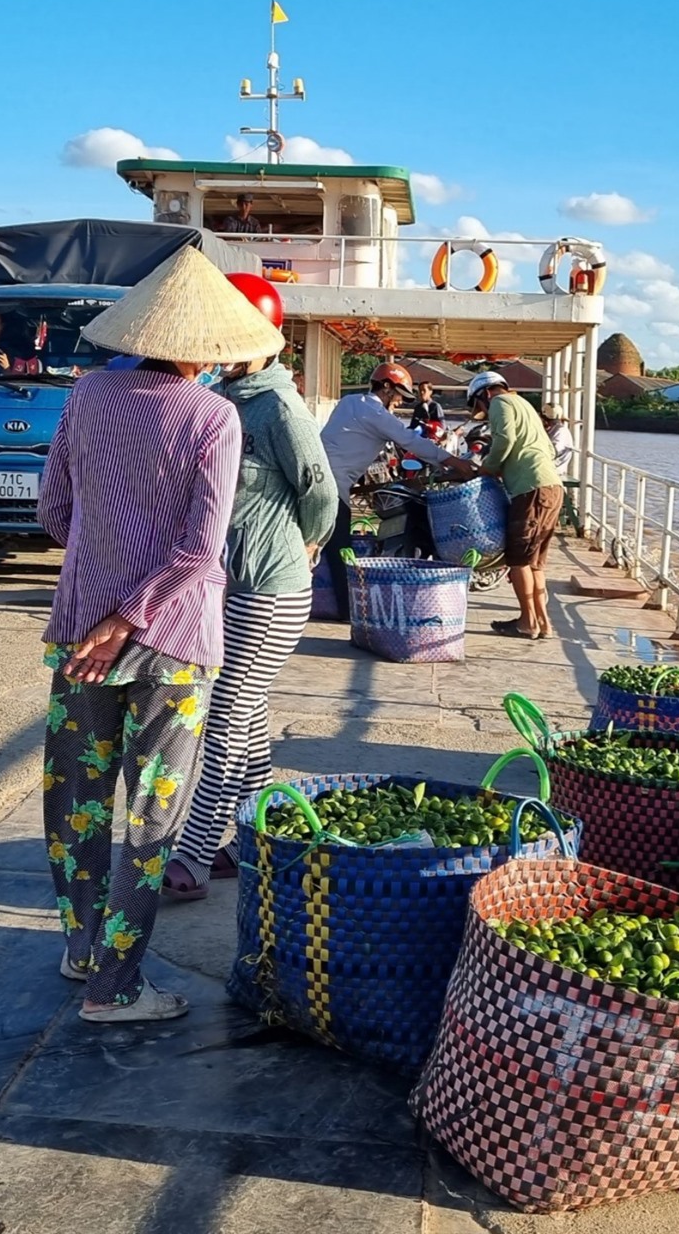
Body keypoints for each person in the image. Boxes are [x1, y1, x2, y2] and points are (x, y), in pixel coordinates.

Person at [36, 245, 277, 1023]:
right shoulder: (214, 416)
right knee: (152, 813)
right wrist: (131, 614)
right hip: (175, 642)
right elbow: (201, 552)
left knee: (77, 798)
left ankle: (81, 953)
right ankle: (117, 986)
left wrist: (103, 590)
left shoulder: (85, 397)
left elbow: (52, 516)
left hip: (80, 632)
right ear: (210, 350)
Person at [167, 275, 333, 901]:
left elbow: (321, 493)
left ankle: (195, 854)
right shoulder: (224, 399)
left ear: (271, 340)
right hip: (231, 583)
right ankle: (255, 837)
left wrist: (306, 545)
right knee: (251, 716)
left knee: (227, 716)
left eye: (243, 336)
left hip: (272, 586)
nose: (229, 348)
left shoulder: (281, 410)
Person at [315, 361, 475, 620]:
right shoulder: (375, 413)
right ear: (386, 387)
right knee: (340, 551)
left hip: (319, 479)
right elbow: (410, 440)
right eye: (399, 395)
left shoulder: (349, 402)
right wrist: (454, 462)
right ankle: (349, 613)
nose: (400, 402)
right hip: (332, 487)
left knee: (318, 544)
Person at [467, 372, 564, 641]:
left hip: (530, 488)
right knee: (535, 563)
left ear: (484, 394)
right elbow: (549, 449)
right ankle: (543, 622)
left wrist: (487, 469)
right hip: (552, 487)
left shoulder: (500, 403)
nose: (484, 413)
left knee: (517, 559)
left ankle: (527, 622)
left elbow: (505, 439)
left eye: (481, 408)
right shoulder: (526, 406)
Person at [541, 402, 576, 477]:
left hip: (554, 469)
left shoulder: (560, 431)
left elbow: (553, 452)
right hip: (550, 467)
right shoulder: (554, 429)